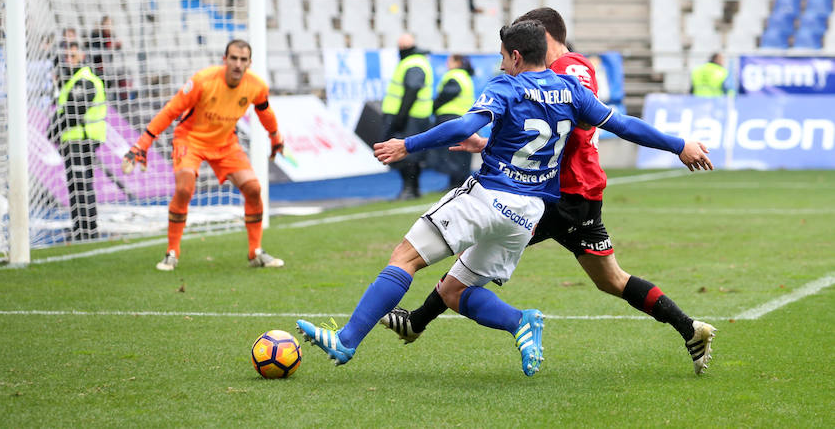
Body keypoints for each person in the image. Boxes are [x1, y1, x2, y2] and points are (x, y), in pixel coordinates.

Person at [296, 20, 713, 375]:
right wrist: (679, 145)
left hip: (490, 196)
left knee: (404, 258)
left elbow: (462, 126)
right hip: (528, 213)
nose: (499, 64)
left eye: (501, 56)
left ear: (516, 56)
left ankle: (347, 340)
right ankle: (520, 322)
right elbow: (624, 125)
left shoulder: (506, 87)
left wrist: (408, 145)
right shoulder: (572, 91)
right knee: (458, 289)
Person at [121, 39, 286, 270]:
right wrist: (143, 143)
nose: (238, 64)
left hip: (225, 142)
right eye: (234, 58)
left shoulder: (256, 86)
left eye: (243, 60)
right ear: (224, 59)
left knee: (253, 188)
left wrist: (275, 136)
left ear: (249, 63)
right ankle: (172, 252)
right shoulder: (202, 81)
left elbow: (264, 111)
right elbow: (171, 111)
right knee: (184, 188)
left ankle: (255, 252)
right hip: (191, 139)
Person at [48, 41, 106, 243]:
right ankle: (83, 228)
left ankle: (86, 229)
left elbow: (73, 111)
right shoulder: (74, 80)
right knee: (78, 184)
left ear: (82, 55)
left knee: (80, 184)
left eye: (72, 56)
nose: (68, 60)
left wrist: (53, 130)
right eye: (66, 57)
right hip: (77, 139)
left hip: (81, 139)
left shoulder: (84, 80)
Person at [381, 34, 433, 200]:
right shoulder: (417, 61)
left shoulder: (413, 63)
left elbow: (412, 89)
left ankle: (409, 189)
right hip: (416, 115)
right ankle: (413, 188)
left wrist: (401, 116)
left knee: (406, 154)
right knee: (411, 153)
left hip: (411, 116)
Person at [432, 54, 475, 189]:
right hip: (465, 118)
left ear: (457, 62)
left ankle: (455, 184)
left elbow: (445, 95)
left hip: (451, 118)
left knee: (453, 153)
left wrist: (434, 106)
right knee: (462, 153)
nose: (447, 63)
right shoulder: (466, 77)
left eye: (449, 60)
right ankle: (461, 182)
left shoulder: (454, 76)